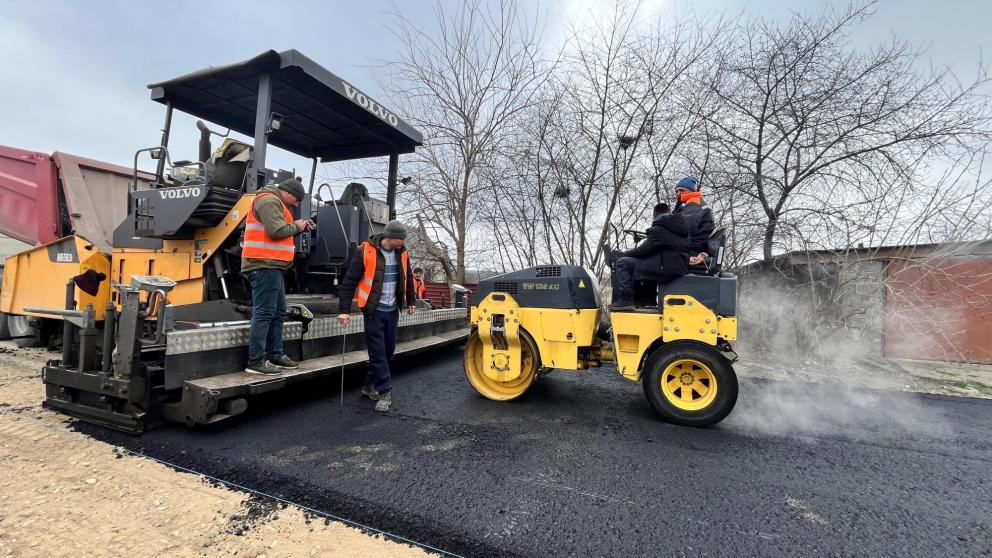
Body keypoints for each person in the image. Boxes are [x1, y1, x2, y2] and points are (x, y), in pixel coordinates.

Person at [337, 220, 417, 412]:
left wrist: (411, 301)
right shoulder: (365, 250)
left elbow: (407, 277)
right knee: (378, 353)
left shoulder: (402, 253)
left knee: (387, 352)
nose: (404, 241)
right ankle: (385, 391)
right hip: (373, 310)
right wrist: (344, 311)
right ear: (391, 238)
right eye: (402, 238)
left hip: (393, 310)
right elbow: (349, 282)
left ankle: (368, 385)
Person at [242, 177, 314, 375]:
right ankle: (255, 361)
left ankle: (275, 354)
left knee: (278, 311)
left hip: (272, 265)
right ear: (288, 193)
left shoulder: (275, 202)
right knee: (264, 313)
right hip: (263, 264)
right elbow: (276, 231)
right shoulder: (268, 200)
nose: (297, 204)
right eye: (297, 200)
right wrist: (298, 226)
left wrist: (298, 229)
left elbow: (279, 234)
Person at [607, 202, 690, 309]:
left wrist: (623, 254)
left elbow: (643, 251)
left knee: (623, 262)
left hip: (667, 267)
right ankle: (647, 300)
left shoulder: (660, 228)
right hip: (678, 265)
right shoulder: (680, 228)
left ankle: (626, 300)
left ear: (655, 215)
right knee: (644, 264)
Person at [671, 176, 715, 266]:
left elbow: (683, 228)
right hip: (690, 246)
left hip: (691, 249)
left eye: (682, 190)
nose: (678, 193)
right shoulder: (688, 204)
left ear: (692, 191)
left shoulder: (694, 203)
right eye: (676, 191)